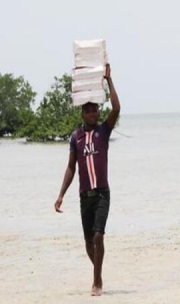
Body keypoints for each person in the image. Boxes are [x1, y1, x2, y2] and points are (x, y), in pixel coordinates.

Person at [55, 64, 120, 297]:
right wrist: (61, 194)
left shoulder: (104, 131)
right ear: (82, 113)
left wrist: (109, 80)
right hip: (85, 197)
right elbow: (71, 168)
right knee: (87, 243)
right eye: (88, 111)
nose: (93, 114)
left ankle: (97, 281)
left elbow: (116, 108)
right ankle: (98, 271)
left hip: (102, 193)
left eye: (95, 110)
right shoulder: (76, 137)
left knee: (98, 236)